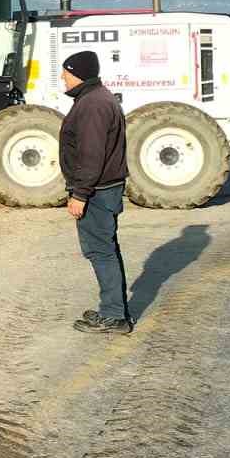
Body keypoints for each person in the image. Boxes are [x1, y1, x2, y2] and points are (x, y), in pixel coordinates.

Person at [58, 50, 131, 334]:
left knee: (100, 251)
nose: (63, 77)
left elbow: (91, 154)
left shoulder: (92, 104)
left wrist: (80, 194)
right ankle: (114, 308)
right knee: (106, 249)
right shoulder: (96, 98)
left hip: (98, 192)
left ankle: (114, 316)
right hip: (102, 188)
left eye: (66, 72)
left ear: (78, 73)